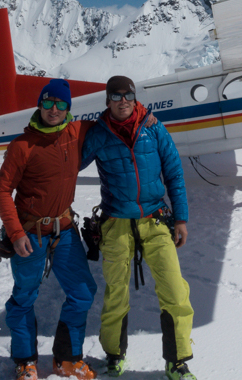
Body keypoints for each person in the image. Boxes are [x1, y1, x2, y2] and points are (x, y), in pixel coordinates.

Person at [80, 76, 196, 380]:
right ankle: (114, 355)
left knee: (174, 290)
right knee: (116, 293)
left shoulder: (154, 128)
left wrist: (181, 219)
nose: (123, 101)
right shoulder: (98, 133)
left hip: (155, 219)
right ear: (107, 100)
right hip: (116, 222)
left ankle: (177, 361)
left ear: (135, 98)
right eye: (116, 96)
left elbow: (174, 173)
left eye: (128, 95)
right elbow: (70, 165)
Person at [0, 79, 99, 380]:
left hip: (64, 229)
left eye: (61, 104)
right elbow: (2, 191)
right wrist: (15, 234)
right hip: (30, 233)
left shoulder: (77, 132)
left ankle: (66, 359)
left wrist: (145, 116)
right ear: (40, 104)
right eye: (49, 102)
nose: (54, 109)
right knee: (24, 296)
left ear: (68, 108)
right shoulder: (22, 146)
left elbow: (115, 119)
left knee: (82, 292)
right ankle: (25, 361)